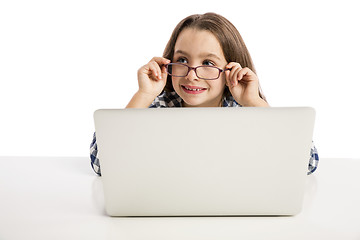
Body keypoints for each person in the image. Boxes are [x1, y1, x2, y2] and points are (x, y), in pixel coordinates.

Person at [90, 12, 319, 176]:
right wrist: (144, 94)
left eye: (208, 62)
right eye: (182, 60)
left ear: (231, 69)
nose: (191, 75)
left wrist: (254, 102)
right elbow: (102, 165)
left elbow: (306, 164)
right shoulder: (158, 108)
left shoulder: (246, 112)